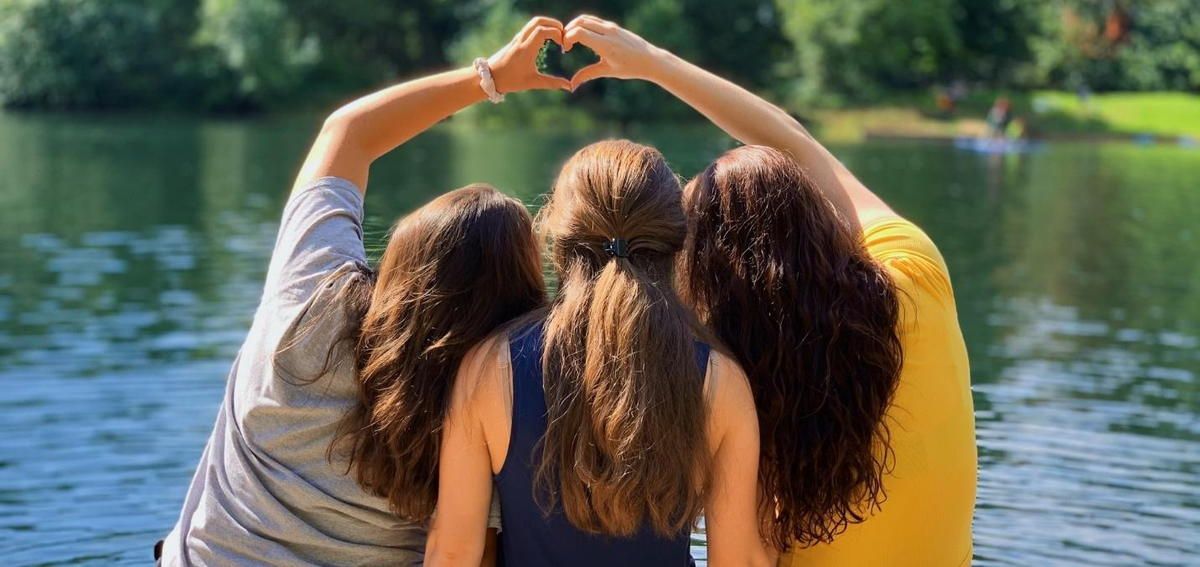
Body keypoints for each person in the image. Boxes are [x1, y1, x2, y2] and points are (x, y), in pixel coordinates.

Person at [558, 16, 977, 566]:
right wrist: (655, 63)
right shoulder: (915, 272)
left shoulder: (743, 382)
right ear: (816, 218)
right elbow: (793, 141)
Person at [159, 16, 571, 566]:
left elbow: (347, 132)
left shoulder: (307, 297)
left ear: (402, 256)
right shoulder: (490, 401)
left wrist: (488, 77)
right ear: (518, 298)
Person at [426, 140, 771, 567]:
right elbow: (739, 562)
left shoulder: (489, 367)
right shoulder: (721, 380)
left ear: (559, 233)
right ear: (673, 239)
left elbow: (454, 551)